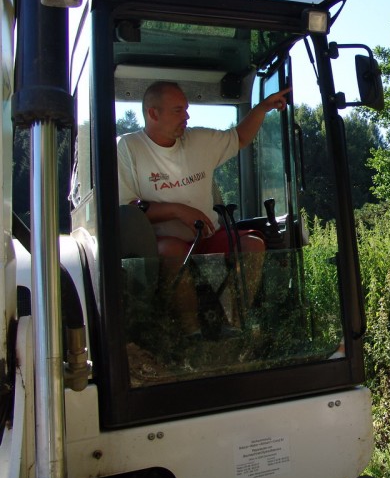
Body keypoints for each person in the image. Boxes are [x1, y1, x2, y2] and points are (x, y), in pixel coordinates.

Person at [117, 80, 291, 331]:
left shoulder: (198, 140)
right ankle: (192, 334)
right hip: (164, 242)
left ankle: (235, 324)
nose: (187, 116)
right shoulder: (128, 147)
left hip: (208, 235)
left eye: (186, 109)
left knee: (253, 245)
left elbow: (240, 137)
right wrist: (178, 210)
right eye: (178, 110)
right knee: (173, 252)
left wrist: (261, 109)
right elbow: (129, 210)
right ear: (153, 113)